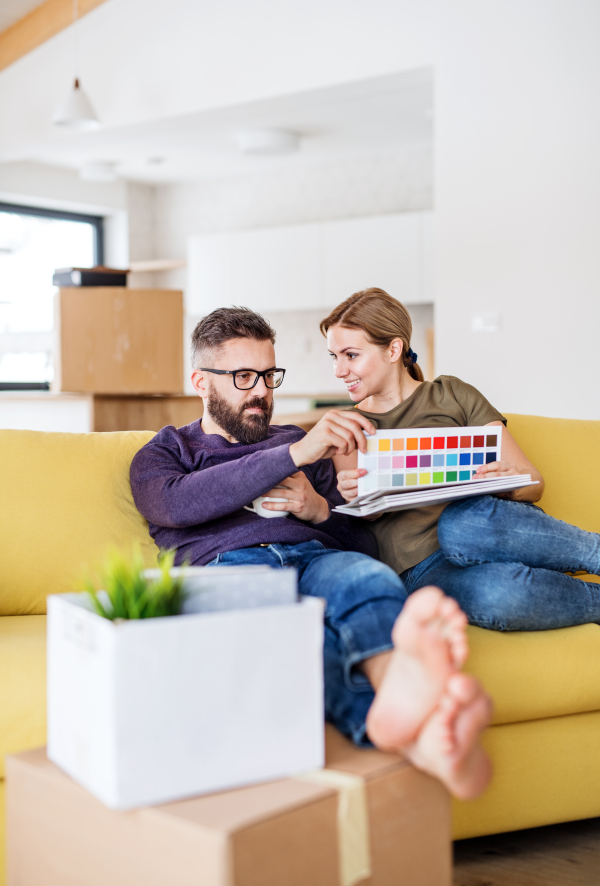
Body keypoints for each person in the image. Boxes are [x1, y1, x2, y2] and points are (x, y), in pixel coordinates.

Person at [130, 305, 492, 799]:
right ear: (201, 380)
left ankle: (407, 712)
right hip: (233, 572)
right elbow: (177, 504)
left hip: (316, 560)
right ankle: (418, 733)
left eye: (268, 375)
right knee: (295, 640)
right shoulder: (167, 452)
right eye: (243, 376)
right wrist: (293, 455)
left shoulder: (299, 441)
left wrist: (320, 509)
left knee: (369, 580)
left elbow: (366, 542)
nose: (262, 391)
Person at [322, 288, 600, 631]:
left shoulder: (452, 394)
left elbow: (534, 483)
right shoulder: (348, 428)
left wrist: (505, 483)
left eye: (350, 355)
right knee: (501, 594)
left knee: (460, 525)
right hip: (423, 568)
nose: (338, 370)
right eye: (333, 356)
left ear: (393, 349)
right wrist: (359, 494)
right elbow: (365, 520)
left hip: (486, 530)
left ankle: (594, 553)